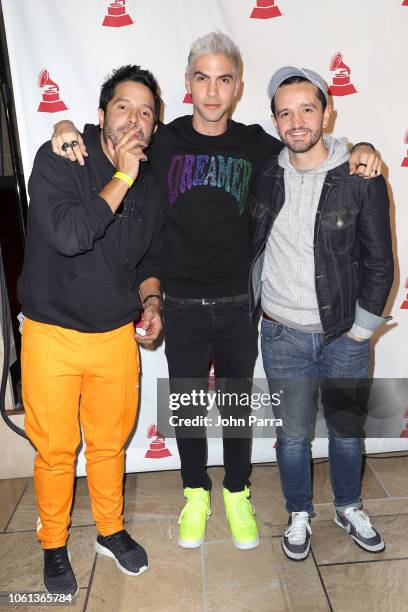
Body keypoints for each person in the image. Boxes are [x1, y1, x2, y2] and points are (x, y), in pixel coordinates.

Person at [50, 32, 381, 552]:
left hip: (238, 306)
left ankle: (237, 491)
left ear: (237, 86)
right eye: (201, 78)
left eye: (223, 79)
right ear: (187, 83)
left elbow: (313, 148)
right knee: (185, 406)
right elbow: (107, 134)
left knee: (233, 408)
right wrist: (63, 124)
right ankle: (194, 491)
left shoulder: (257, 143)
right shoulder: (162, 140)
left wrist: (363, 148)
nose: (211, 90)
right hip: (176, 302)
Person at [18, 65, 164, 596]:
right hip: (51, 334)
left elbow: (150, 256)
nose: (136, 119)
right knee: (56, 450)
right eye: (124, 107)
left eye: (147, 112)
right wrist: (120, 175)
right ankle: (53, 544)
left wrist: (152, 301)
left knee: (108, 445)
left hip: (114, 339)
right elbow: (71, 234)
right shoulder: (63, 157)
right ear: (100, 115)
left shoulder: (149, 182)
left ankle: (110, 530)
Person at [249, 66, 394, 561]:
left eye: (307, 109)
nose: (296, 121)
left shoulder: (358, 175)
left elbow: (380, 261)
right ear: (274, 121)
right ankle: (299, 513)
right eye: (285, 113)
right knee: (291, 439)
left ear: (327, 112)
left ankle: (349, 505)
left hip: (343, 336)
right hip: (282, 333)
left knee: (347, 434)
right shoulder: (265, 174)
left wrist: (361, 330)